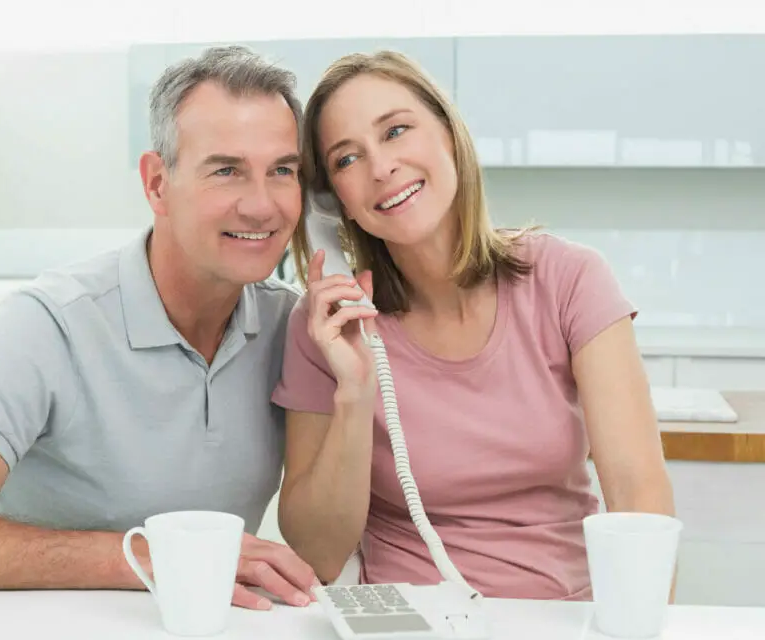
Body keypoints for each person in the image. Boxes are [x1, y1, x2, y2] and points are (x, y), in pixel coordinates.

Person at [0, 45, 319, 611]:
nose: (262, 206)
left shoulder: (292, 326)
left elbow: (327, 543)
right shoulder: (48, 324)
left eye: (282, 171)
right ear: (157, 184)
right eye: (226, 170)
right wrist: (146, 557)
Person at [271, 50, 677, 600]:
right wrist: (356, 390)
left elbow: (639, 498)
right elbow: (318, 554)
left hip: (567, 623)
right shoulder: (326, 326)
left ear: (448, 132)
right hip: (410, 632)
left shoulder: (569, 280)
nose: (381, 167)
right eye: (346, 160)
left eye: (396, 130)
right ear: (331, 201)